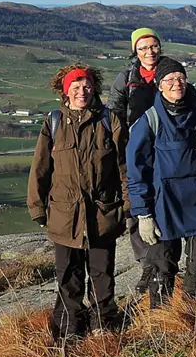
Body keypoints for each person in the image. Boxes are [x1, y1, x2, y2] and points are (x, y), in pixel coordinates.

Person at [28, 64, 128, 341]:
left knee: (102, 274)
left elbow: (124, 167)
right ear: (66, 91)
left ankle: (103, 326)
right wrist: (37, 207)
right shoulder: (54, 122)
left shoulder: (109, 121)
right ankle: (69, 328)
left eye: (87, 86)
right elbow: (41, 168)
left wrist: (127, 207)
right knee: (68, 276)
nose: (82, 91)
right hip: (64, 214)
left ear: (94, 88)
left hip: (102, 214)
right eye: (76, 86)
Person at [126, 58, 196, 308]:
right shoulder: (149, 121)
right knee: (162, 266)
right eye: (170, 80)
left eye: (181, 78)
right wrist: (143, 213)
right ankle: (161, 319)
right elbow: (136, 170)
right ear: (159, 85)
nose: (177, 84)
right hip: (164, 204)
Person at [108, 27, 165, 292]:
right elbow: (114, 115)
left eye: (153, 46)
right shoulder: (126, 79)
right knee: (136, 204)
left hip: (166, 148)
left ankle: (163, 260)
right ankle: (145, 264)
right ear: (135, 51)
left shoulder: (169, 71)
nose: (149, 52)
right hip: (134, 148)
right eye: (143, 48)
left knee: (165, 202)